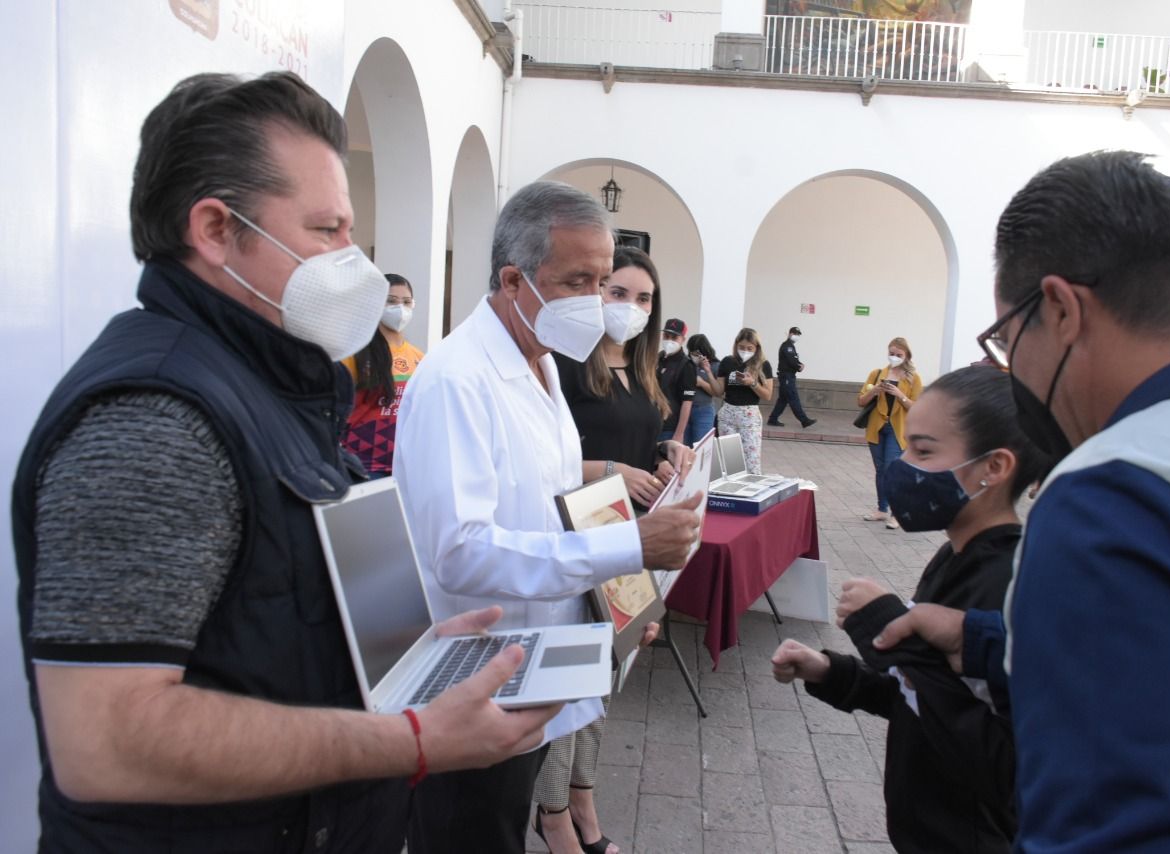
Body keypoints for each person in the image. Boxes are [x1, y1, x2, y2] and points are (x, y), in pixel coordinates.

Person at [10, 71, 560, 852]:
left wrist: (402, 645)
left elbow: (259, 624)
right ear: (214, 229)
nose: (354, 260)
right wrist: (413, 739)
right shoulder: (158, 419)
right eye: (326, 229)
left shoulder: (267, 384)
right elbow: (110, 741)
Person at [873, 151, 1170, 851]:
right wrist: (983, 640)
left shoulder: (1124, 493)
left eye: (1007, 340)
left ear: (1061, 309)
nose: (1014, 375)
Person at [392, 181, 702, 854]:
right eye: (578, 282)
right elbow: (460, 553)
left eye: (602, 281)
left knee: (502, 824)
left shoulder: (541, 365)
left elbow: (561, 513)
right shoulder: (458, 381)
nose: (597, 302)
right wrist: (628, 546)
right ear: (514, 281)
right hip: (474, 683)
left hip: (531, 668)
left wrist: (622, 604)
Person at [772, 365, 1046, 853]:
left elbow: (1007, 764)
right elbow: (914, 693)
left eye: (923, 451)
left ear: (994, 467)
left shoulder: (1009, 584)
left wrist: (883, 628)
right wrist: (832, 672)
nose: (903, 465)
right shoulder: (953, 556)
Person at [540, 246, 686, 854]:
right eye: (617, 292)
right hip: (575, 533)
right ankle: (552, 815)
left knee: (605, 672)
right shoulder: (564, 363)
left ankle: (583, 798)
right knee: (570, 676)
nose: (629, 307)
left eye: (643, 298)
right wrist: (610, 469)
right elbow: (542, 460)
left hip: (624, 536)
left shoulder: (644, 367)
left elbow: (637, 439)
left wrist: (663, 454)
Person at [342, 272, 424, 477]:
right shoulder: (354, 354)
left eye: (406, 302)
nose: (400, 309)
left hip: (405, 468)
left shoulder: (419, 358)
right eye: (391, 301)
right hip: (362, 467)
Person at [858, 337, 924, 529]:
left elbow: (917, 407)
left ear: (907, 356)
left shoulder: (913, 378)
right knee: (880, 470)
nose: (894, 357)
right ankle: (882, 509)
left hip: (898, 429)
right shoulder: (877, 374)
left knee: (891, 470)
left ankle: (897, 513)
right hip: (877, 427)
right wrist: (875, 391)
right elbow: (861, 401)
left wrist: (899, 395)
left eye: (898, 354)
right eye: (891, 353)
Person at [716, 328, 775, 474]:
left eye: (749, 348)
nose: (745, 351)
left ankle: (751, 485)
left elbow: (768, 395)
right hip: (728, 414)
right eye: (741, 347)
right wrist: (708, 374)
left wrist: (753, 383)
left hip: (749, 416)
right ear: (736, 345)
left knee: (751, 461)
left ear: (756, 348)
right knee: (730, 462)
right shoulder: (727, 362)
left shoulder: (763, 365)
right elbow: (719, 391)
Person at [656, 317, 696, 443]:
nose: (669, 340)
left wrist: (679, 434)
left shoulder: (686, 365)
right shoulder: (657, 358)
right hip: (651, 424)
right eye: (666, 336)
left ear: (683, 340)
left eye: (674, 338)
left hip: (670, 428)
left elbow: (687, 402)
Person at [767, 325, 816, 428]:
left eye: (798, 334)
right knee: (793, 398)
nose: (796, 336)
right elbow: (791, 361)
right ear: (790, 334)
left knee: (783, 400)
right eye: (795, 334)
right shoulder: (787, 346)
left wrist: (800, 364)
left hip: (788, 376)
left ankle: (773, 419)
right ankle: (804, 420)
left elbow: (794, 359)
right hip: (787, 377)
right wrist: (799, 367)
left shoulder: (791, 346)